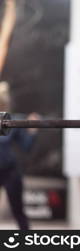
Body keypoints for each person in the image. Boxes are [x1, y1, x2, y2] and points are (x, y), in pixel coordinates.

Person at [0, 81, 39, 230]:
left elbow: (26, 147)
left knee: (18, 212)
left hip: (10, 172)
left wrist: (32, 130)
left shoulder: (13, 121)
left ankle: (27, 242)